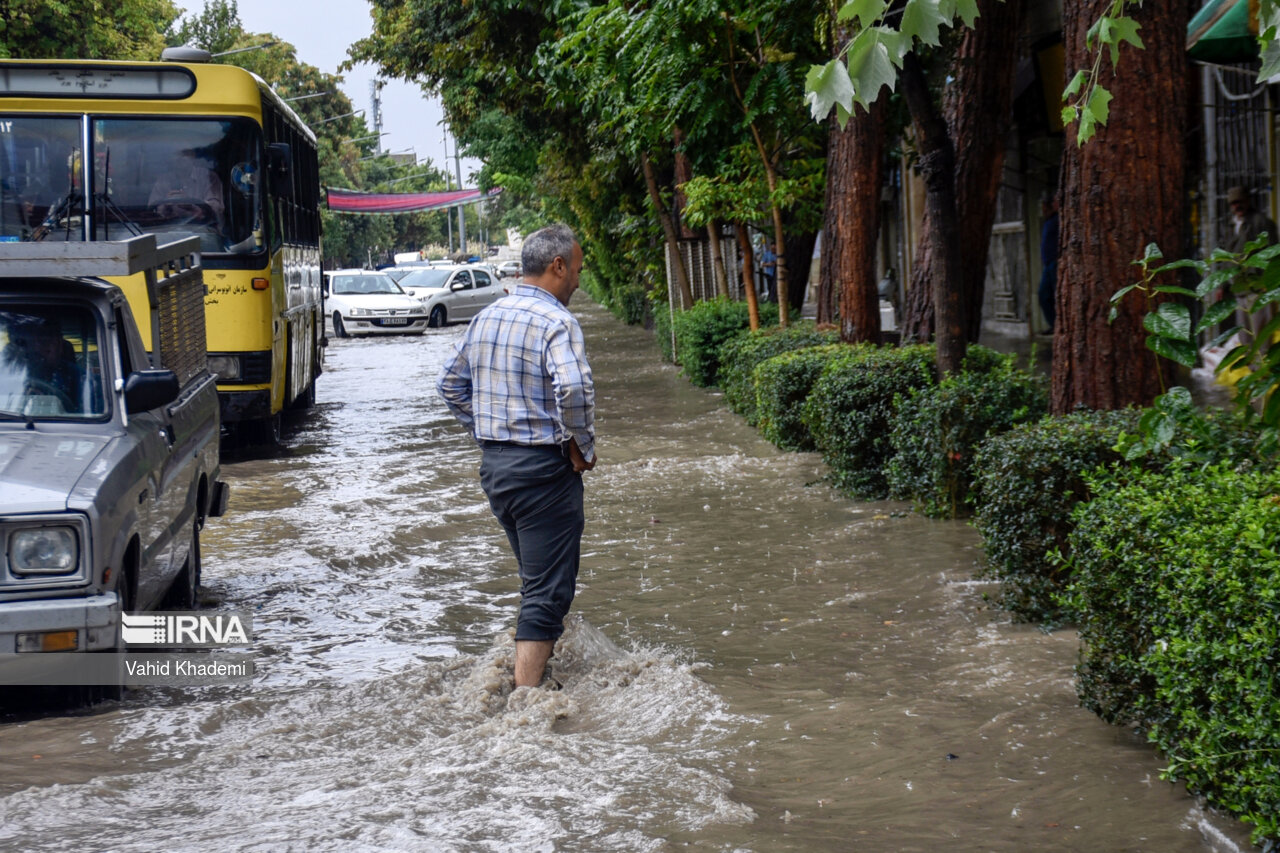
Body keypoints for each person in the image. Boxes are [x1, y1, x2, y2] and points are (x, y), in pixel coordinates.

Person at [437, 224, 597, 688]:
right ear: (558, 266)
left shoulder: (486, 316)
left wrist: (488, 432)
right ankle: (525, 701)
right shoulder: (557, 322)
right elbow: (573, 386)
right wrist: (580, 445)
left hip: (497, 471)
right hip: (544, 472)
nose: (578, 281)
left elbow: (449, 384)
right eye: (578, 271)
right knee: (547, 591)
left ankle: (536, 676)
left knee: (535, 583)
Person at [1223, 186, 1278, 344]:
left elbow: (1273, 253)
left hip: (1258, 285)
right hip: (1239, 287)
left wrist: (1269, 282)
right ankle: (1251, 366)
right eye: (1233, 203)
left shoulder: (1261, 222)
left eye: (1240, 202)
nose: (1237, 206)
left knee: (1261, 332)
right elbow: (1225, 256)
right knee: (1245, 334)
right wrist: (1223, 285)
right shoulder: (1229, 226)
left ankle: (1262, 366)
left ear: (1248, 201)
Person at [1, 316, 82, 412]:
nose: (37, 349)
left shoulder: (82, 379)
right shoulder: (4, 374)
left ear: (59, 344)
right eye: (23, 344)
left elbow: (90, 416)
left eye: (45, 341)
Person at [148, 149, 225, 233]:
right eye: (177, 154)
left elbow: (216, 209)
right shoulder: (163, 180)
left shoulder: (208, 177)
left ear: (193, 156)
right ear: (171, 158)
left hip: (203, 232)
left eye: (185, 153)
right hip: (168, 233)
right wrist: (166, 206)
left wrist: (195, 208)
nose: (181, 158)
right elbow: (151, 211)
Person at [1037, 191, 1060, 334]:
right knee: (1044, 295)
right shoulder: (1050, 220)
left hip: (1055, 263)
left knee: (1054, 295)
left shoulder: (1059, 219)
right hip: (1049, 264)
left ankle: (1057, 325)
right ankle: (1055, 325)